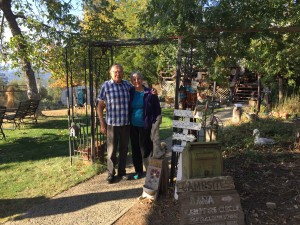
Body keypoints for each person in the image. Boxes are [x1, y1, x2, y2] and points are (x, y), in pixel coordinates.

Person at [97, 64, 132, 184]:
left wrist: (150, 91)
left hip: (126, 123)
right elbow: (100, 106)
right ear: (110, 73)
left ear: (123, 73)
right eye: (115, 72)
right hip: (112, 124)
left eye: (120, 71)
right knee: (111, 150)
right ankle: (111, 173)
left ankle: (122, 172)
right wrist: (102, 123)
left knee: (124, 148)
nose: (118, 74)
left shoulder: (127, 85)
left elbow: (139, 89)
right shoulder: (106, 86)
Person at [129, 72, 161, 179]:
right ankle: (138, 171)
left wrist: (155, 122)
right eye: (134, 80)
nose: (136, 81)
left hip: (145, 125)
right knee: (135, 149)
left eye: (138, 79)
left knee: (146, 148)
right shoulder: (130, 92)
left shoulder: (149, 92)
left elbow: (157, 108)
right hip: (133, 125)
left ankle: (149, 169)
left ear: (142, 80)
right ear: (131, 81)